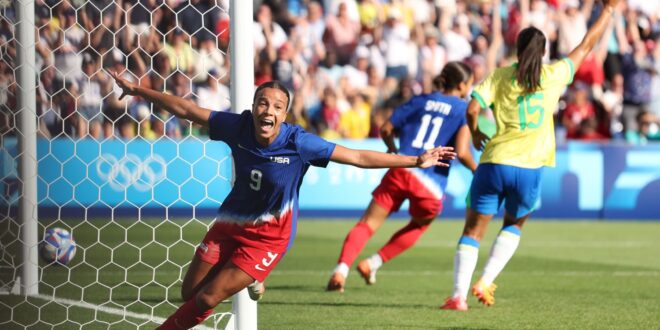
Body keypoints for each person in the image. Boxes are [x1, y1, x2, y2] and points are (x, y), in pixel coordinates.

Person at [109, 75, 457, 329]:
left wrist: (415, 160)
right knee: (189, 294)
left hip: (268, 239)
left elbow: (358, 158)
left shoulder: (299, 143)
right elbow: (187, 109)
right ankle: (252, 280)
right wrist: (138, 90)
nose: (268, 110)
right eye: (263, 103)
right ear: (253, 106)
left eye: (277, 106)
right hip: (229, 225)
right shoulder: (238, 127)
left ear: (285, 114)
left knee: (206, 299)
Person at [440, 0, 621, 311]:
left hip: (495, 161)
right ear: (544, 51)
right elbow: (587, 44)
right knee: (513, 225)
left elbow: (472, 107)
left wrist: (477, 130)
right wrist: (607, 11)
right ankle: (486, 280)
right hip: (530, 167)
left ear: (518, 47)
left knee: (473, 231)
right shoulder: (553, 76)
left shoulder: (499, 76)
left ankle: (458, 297)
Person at [326, 62, 478, 292]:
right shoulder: (462, 110)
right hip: (431, 182)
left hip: (402, 168)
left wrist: (392, 150)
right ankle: (372, 263)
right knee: (419, 225)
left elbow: (386, 128)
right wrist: (478, 171)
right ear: (462, 85)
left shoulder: (421, 100)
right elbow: (463, 151)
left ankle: (341, 270)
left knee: (367, 224)